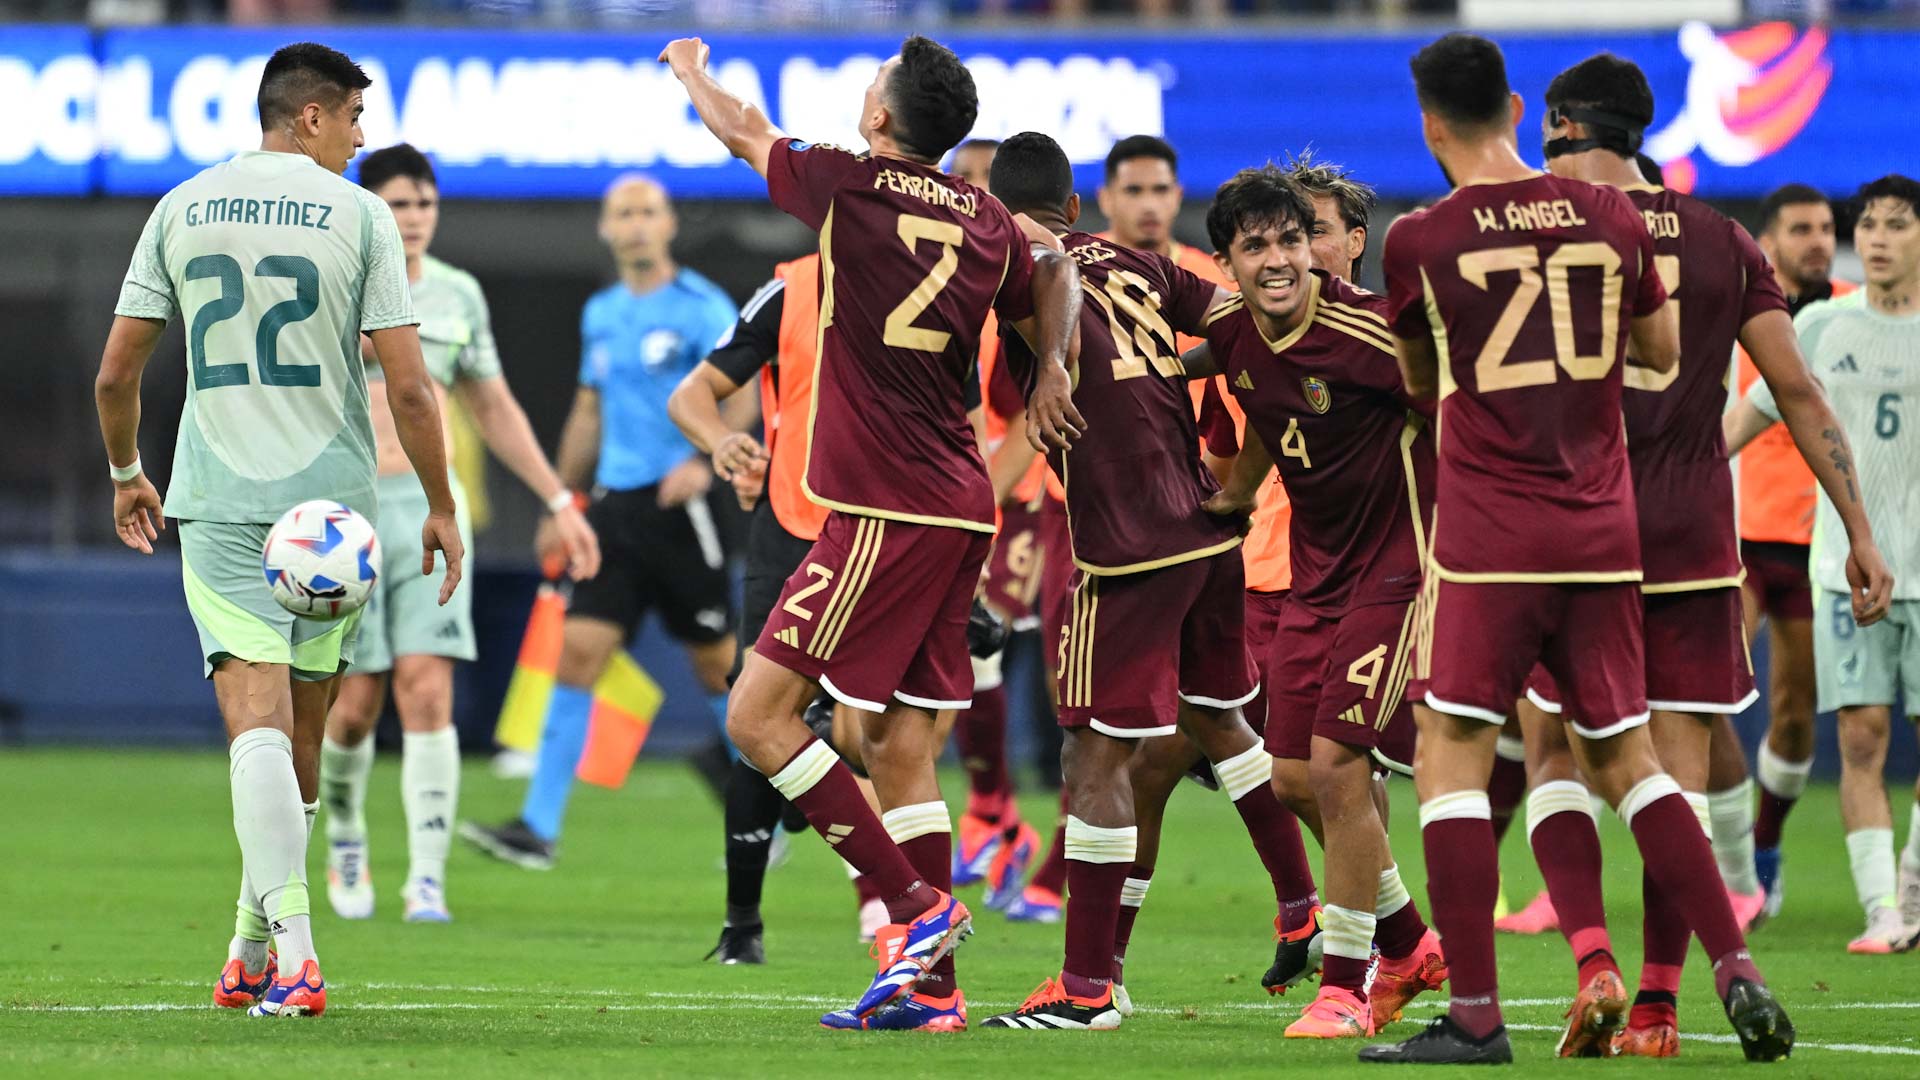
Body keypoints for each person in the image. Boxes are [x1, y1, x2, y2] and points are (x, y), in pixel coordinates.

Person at [1369, 33, 1804, 1065]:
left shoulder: (1421, 240)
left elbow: (1423, 384)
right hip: (1608, 536)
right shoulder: (1613, 219)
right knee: (1635, 760)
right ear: (1518, 109)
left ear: (1433, 125)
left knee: (1453, 757)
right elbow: (1656, 354)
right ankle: (1733, 967)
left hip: (1492, 541)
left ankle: (1476, 1015)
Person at [660, 34, 1082, 1031]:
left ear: (885, 115)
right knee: (898, 744)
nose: (862, 86)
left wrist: (687, 74)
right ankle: (929, 994)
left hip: (883, 507)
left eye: (873, 78)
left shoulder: (851, 188)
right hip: (959, 506)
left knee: (757, 717)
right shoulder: (983, 213)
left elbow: (742, 130)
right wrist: (1053, 364)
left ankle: (915, 909)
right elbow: (1056, 266)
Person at [1523, 54, 1889, 1056]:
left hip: (1575, 526)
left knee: (1555, 750)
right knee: (1674, 777)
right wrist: (1859, 533)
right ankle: (1658, 1006)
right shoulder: (1729, 242)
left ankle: (1593, 962)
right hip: (1692, 532)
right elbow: (1799, 395)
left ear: (1562, 123)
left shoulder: (1551, 229)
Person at [96, 42, 463, 1017]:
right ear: (309, 117)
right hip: (334, 515)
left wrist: (130, 474)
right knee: (301, 732)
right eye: (351, 119)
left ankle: (273, 950)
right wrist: (440, 503)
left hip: (218, 503)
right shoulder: (359, 215)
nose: (358, 137)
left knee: (256, 726)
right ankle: (271, 955)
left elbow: (116, 373)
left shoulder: (181, 206)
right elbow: (413, 388)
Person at [980, 131, 1280, 1032]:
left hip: (1132, 545)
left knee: (1097, 756)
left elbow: (1019, 379)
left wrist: (1058, 362)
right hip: (1213, 531)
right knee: (1233, 735)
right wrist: (1239, 476)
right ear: (1087, 203)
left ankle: (1085, 990)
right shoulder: (1149, 268)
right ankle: (1351, 923)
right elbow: (1242, 326)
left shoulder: (1030, 266)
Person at [666, 251, 991, 961]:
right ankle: (746, 925)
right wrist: (726, 444)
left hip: (888, 535)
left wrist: (973, 564)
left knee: (862, 735)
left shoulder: (930, 295)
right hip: (793, 528)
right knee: (758, 718)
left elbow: (973, 430)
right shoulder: (792, 289)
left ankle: (896, 908)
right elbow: (693, 394)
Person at [317, 143, 599, 924]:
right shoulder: (328, 282)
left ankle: (427, 877)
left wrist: (556, 497)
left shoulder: (456, 296)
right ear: (367, 208)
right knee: (353, 703)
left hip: (425, 510)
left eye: (425, 204)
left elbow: (492, 404)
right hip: (339, 513)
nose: (413, 219)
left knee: (428, 687)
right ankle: (345, 831)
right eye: (398, 204)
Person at [1198, 165, 1445, 1040]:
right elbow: (1267, 412)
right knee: (1293, 775)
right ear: (1226, 262)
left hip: (1401, 569)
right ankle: (1412, 942)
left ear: (1320, 248)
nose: (1277, 260)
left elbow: (1464, 416)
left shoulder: (1373, 335)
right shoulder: (1230, 331)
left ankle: (1344, 985)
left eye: (1291, 241)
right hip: (1316, 576)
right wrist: (1235, 496)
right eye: (1255, 245)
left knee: (1341, 766)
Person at [460, 175, 739, 870]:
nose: (637, 224)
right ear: (606, 229)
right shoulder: (603, 313)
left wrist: (706, 462)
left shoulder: (705, 308)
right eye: (625, 214)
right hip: (614, 509)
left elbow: (744, 396)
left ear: (669, 224)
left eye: (649, 211)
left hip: (682, 508)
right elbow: (589, 410)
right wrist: (561, 497)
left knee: (717, 666)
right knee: (577, 653)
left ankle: (765, 803)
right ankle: (538, 828)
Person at [1728, 173, 1920, 954]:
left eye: (1895, 225)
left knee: (1845, 724)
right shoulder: (1817, 326)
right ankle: (1880, 911)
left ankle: (1908, 891)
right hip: (1834, 560)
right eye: (1866, 224)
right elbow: (1735, 426)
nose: (1873, 237)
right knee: (1863, 736)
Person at [1732, 184, 1860, 918]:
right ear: (1767, 242)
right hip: (1741, 538)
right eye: (1801, 229)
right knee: (1707, 693)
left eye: (1824, 227)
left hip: (1820, 545)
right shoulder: (1736, 310)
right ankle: (1715, 858)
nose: (1819, 239)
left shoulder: (1853, 313)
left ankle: (1764, 849)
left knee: (1792, 713)